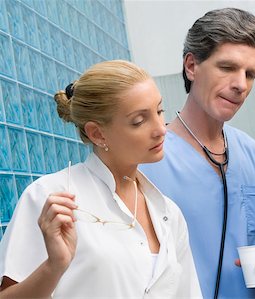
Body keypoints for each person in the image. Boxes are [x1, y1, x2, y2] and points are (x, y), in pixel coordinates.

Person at [0, 60, 201, 298]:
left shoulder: (169, 214)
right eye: (139, 120)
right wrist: (54, 267)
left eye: (159, 111)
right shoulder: (51, 197)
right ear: (97, 133)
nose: (161, 129)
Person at [140, 8, 255, 299]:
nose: (241, 84)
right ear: (191, 66)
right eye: (227, 67)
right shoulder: (145, 163)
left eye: (250, 73)